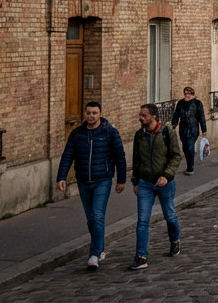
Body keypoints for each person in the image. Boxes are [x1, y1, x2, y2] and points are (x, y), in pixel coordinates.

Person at [56, 101, 127, 270]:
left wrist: (121, 180)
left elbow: (120, 156)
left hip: (102, 180)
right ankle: (100, 247)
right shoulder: (77, 134)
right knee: (91, 219)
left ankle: (94, 254)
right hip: (83, 181)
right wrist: (61, 177)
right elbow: (67, 155)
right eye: (88, 113)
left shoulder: (109, 132)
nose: (91, 116)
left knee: (97, 216)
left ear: (100, 114)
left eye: (94, 113)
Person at [128, 104, 183, 270]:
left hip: (165, 183)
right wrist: (135, 181)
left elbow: (176, 156)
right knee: (143, 220)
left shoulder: (167, 132)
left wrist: (166, 176)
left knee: (170, 216)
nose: (140, 118)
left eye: (143, 115)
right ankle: (141, 256)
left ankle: (175, 241)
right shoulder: (139, 135)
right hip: (145, 183)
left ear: (153, 116)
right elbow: (136, 160)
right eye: (140, 115)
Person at [170, 86, 206, 175]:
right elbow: (176, 114)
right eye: (186, 93)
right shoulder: (180, 103)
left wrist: (204, 129)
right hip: (183, 128)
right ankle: (189, 164)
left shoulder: (197, 103)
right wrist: (174, 124)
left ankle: (191, 167)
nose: (187, 95)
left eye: (189, 93)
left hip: (193, 128)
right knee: (185, 147)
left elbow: (201, 116)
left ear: (192, 94)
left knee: (190, 146)